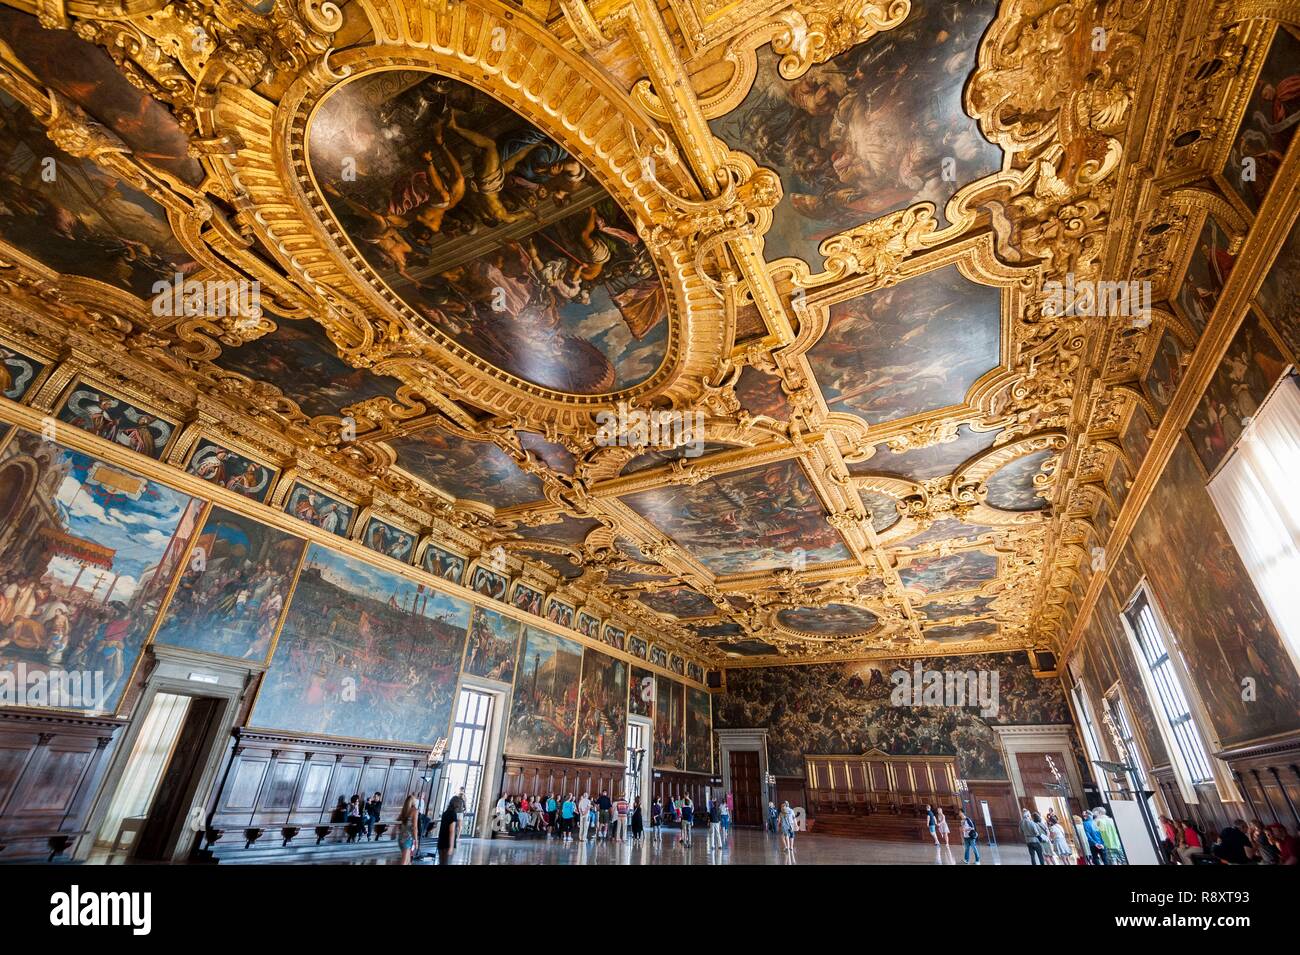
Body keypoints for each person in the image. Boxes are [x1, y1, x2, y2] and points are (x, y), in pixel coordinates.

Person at [437, 795, 461, 864]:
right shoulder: (453, 814)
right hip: (447, 844)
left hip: (441, 842)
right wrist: (451, 846)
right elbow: (452, 831)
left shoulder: (445, 813)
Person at [396, 793, 419, 865]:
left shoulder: (404, 811)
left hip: (401, 838)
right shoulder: (414, 810)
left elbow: (398, 823)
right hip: (408, 839)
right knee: (404, 862)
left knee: (408, 862)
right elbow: (415, 827)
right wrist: (416, 840)